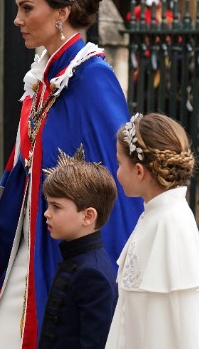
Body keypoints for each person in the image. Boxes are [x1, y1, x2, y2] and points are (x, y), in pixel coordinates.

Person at [0, 0, 142, 349]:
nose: (18, 20)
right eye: (18, 8)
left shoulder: (91, 78)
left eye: (27, 8)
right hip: (29, 243)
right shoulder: (46, 76)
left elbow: (116, 183)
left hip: (64, 253)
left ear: (61, 12)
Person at [105, 112, 199, 349]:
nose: (117, 172)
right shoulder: (155, 216)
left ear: (140, 171)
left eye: (119, 163)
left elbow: (177, 325)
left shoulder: (169, 225)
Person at [38, 146, 118, 349]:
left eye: (56, 207)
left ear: (88, 216)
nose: (47, 213)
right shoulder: (75, 259)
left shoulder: (92, 273)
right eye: (48, 205)